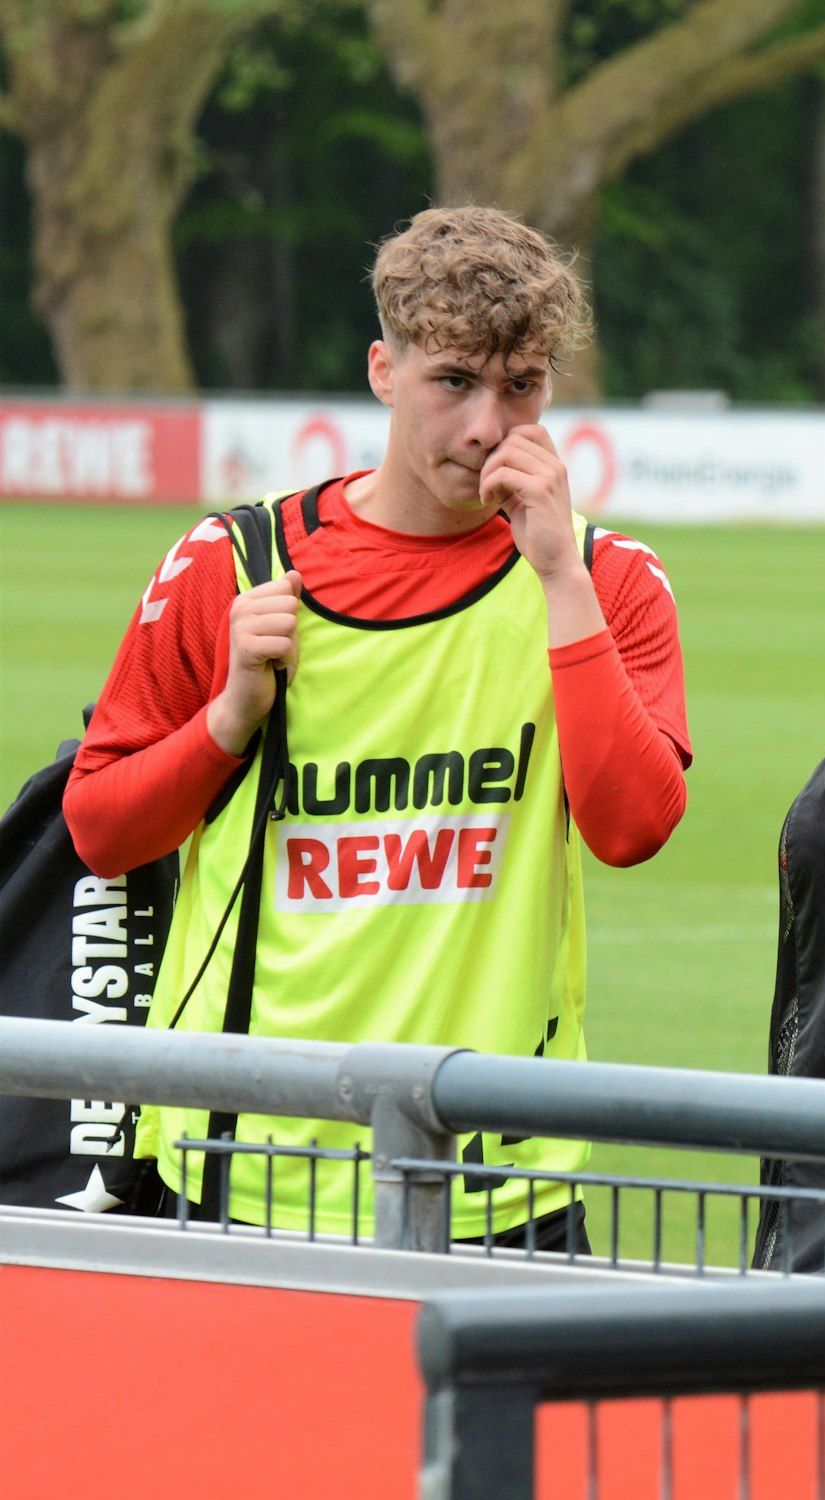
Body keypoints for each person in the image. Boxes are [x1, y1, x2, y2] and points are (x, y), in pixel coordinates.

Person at [64, 206, 692, 1250]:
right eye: (453, 382)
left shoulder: (605, 578)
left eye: (521, 386)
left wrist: (558, 581)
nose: (489, 426)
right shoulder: (235, 561)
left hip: (495, 1174)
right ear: (383, 372)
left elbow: (631, 831)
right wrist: (225, 721)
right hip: (243, 1166)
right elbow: (100, 833)